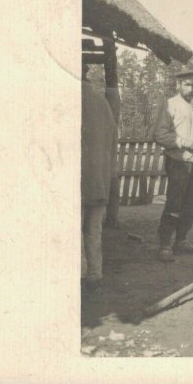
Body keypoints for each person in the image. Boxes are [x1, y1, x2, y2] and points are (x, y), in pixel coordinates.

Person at [152, 69, 193, 262]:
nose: (191, 89)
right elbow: (160, 135)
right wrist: (185, 142)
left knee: (191, 205)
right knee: (174, 203)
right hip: (178, 161)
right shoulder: (170, 105)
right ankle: (164, 246)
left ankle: (181, 241)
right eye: (187, 84)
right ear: (177, 85)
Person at [81, 67, 119, 292]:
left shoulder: (68, 99)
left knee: (72, 230)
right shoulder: (102, 103)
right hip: (99, 182)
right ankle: (95, 274)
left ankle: (79, 274)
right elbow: (113, 139)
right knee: (94, 231)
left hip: (76, 181)